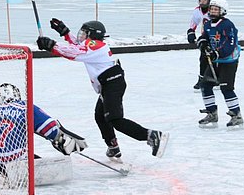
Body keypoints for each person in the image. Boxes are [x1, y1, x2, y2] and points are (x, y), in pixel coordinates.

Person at [36, 19, 168, 161]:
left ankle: (151, 136)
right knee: (100, 116)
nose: (81, 35)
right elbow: (77, 45)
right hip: (109, 82)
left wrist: (52, 46)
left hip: (113, 83)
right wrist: (65, 32)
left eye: (84, 33)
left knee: (115, 120)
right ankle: (113, 147)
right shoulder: (92, 45)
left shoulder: (95, 46)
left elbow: (74, 52)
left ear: (92, 34)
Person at [0, 83, 87, 186]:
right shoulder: (26, 106)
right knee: (32, 157)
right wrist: (62, 141)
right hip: (19, 161)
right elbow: (50, 129)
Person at [196, 0, 244, 128]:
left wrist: (218, 53)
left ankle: (236, 115)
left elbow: (230, 43)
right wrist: (202, 42)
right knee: (205, 85)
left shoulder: (228, 25)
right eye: (211, 8)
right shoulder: (207, 24)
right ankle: (212, 113)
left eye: (216, 9)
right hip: (215, 61)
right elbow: (205, 37)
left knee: (226, 88)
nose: (213, 11)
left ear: (222, 11)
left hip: (228, 61)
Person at [187, 0, 213, 90]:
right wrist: (191, 33)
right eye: (201, 0)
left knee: (215, 58)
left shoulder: (213, 10)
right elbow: (193, 23)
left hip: (215, 37)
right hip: (204, 37)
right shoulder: (197, 11)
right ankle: (202, 79)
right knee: (203, 58)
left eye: (205, 0)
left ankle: (217, 78)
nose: (202, 2)